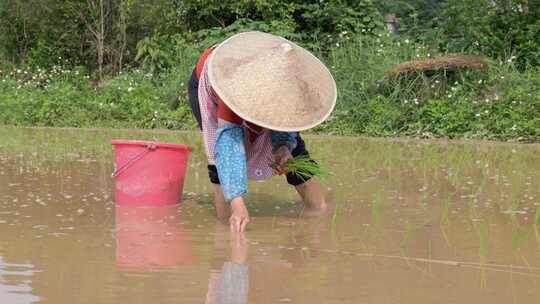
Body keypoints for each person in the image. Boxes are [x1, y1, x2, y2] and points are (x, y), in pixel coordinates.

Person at [187, 31, 337, 232]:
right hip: (216, 77)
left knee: (295, 155)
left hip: (266, 74)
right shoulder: (232, 87)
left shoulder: (294, 81)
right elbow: (228, 146)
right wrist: (238, 205)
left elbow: (287, 121)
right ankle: (229, 224)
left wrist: (283, 146)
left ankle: (318, 208)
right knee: (219, 156)